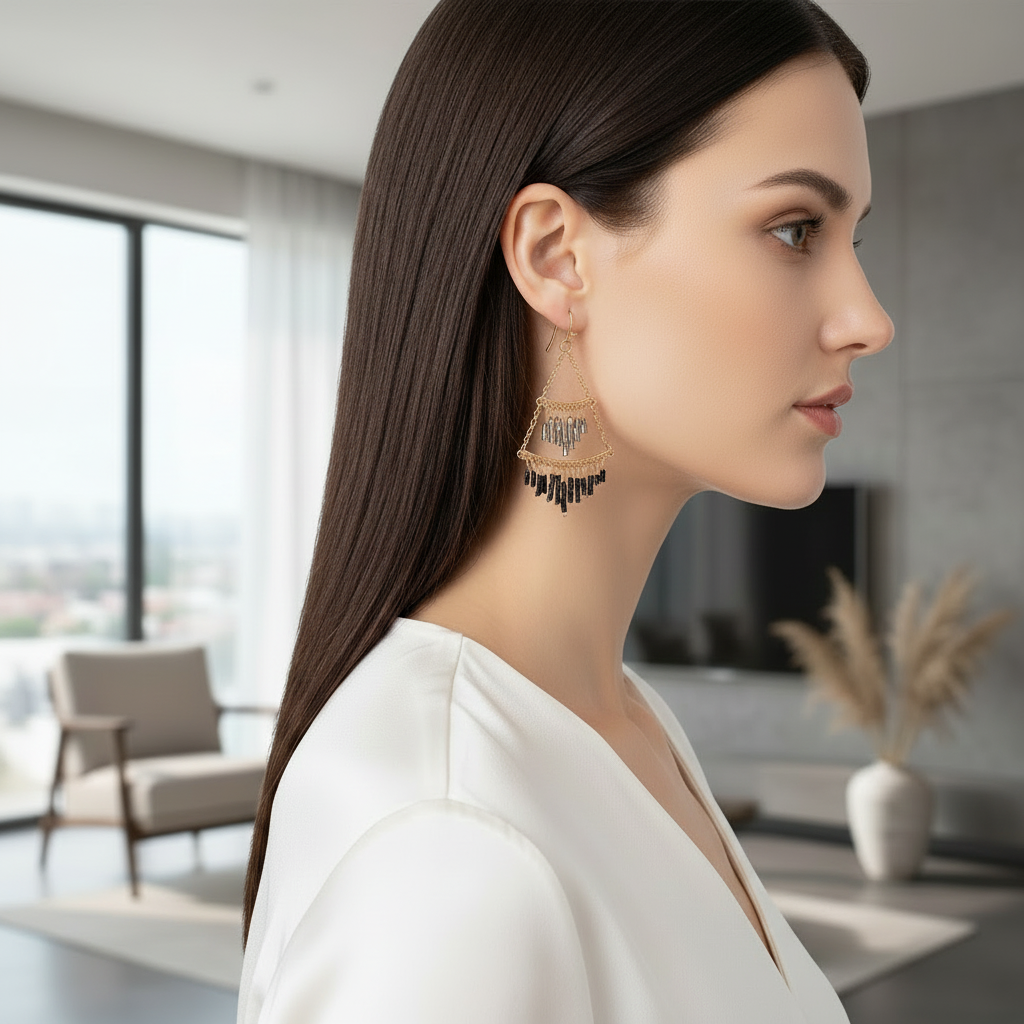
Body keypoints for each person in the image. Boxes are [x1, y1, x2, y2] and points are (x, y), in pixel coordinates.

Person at [238, 0, 894, 1020]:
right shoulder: (447, 841)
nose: (867, 318)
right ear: (555, 255)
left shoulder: (618, 718)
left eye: (851, 236)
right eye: (795, 228)